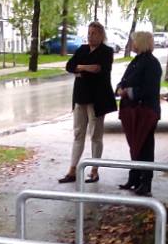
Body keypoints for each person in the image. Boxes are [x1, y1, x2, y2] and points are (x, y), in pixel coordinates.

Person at [60, 21, 116, 183]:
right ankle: (72, 170)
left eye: (94, 33)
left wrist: (81, 68)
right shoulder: (82, 49)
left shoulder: (107, 51)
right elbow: (69, 66)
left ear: (101, 35)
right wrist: (84, 68)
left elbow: (98, 69)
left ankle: (94, 169)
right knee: (78, 134)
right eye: (89, 33)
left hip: (97, 99)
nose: (90, 36)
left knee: (95, 136)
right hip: (80, 97)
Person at [115, 31, 162, 196]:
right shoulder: (136, 61)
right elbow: (124, 80)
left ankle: (145, 182)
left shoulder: (151, 63)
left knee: (145, 147)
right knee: (135, 145)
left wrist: (128, 92)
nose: (131, 44)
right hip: (132, 110)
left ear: (140, 42)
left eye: (134, 41)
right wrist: (120, 88)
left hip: (145, 111)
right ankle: (134, 178)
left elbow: (149, 90)